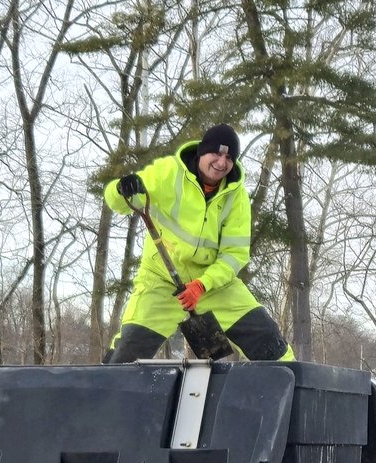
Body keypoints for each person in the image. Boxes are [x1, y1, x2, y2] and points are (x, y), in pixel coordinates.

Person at [103, 123, 295, 363]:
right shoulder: (168, 173)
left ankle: (294, 389)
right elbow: (119, 202)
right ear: (202, 152)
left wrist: (202, 285)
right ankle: (106, 396)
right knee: (126, 355)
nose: (222, 162)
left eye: (229, 157)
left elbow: (234, 255)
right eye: (216, 153)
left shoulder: (236, 197)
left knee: (270, 345)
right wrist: (121, 188)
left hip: (213, 285)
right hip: (160, 282)